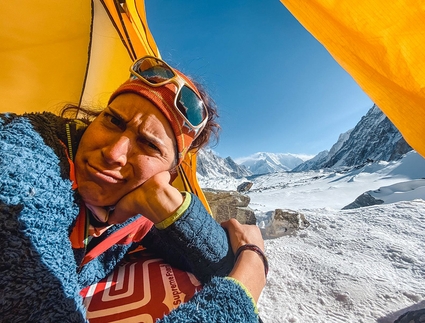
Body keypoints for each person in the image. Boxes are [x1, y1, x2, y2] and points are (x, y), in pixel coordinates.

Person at [0, 55, 267, 322]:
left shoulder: (133, 207)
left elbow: (218, 263)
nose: (114, 153)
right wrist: (251, 271)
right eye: (114, 121)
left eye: (149, 145)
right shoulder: (22, 172)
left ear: (169, 173)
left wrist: (170, 206)